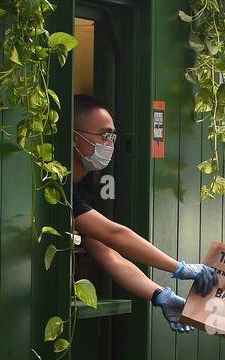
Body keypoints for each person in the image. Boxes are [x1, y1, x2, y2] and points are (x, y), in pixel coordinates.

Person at [69, 95, 216, 332]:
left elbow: (107, 252)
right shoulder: (63, 186)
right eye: (104, 135)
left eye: (113, 137)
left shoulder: (84, 186)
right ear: (75, 137)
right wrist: (179, 268)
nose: (110, 143)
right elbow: (114, 234)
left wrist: (160, 295)